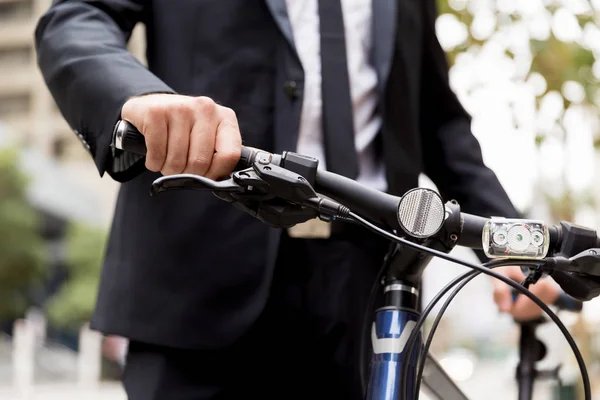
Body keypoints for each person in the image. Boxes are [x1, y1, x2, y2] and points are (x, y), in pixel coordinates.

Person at [34, 0, 556, 398]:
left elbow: (439, 123)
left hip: (365, 286)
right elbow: (78, 17)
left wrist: (514, 243)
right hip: (198, 282)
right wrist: (139, 95)